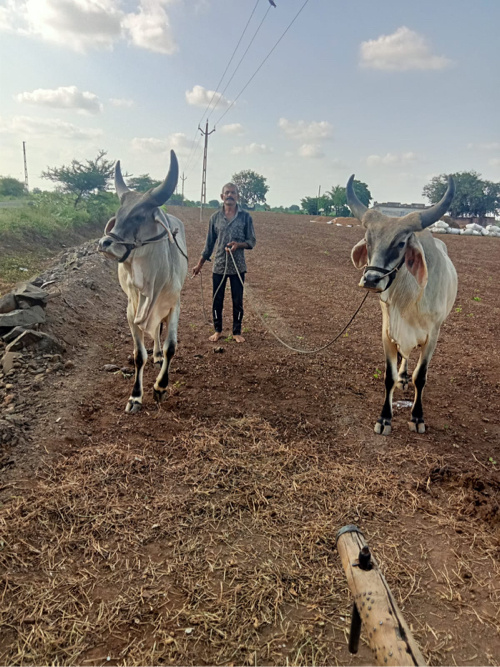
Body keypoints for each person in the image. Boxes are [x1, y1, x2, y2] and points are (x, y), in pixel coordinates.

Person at [192, 183, 256, 343]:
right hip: (219, 265)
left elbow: (252, 241)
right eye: (227, 193)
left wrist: (238, 245)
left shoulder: (246, 217)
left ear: (237, 197)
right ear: (222, 196)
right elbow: (209, 245)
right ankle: (217, 330)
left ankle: (237, 331)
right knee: (217, 300)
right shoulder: (215, 218)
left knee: (237, 301)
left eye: (233, 193)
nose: (230, 195)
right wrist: (199, 264)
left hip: (238, 265)